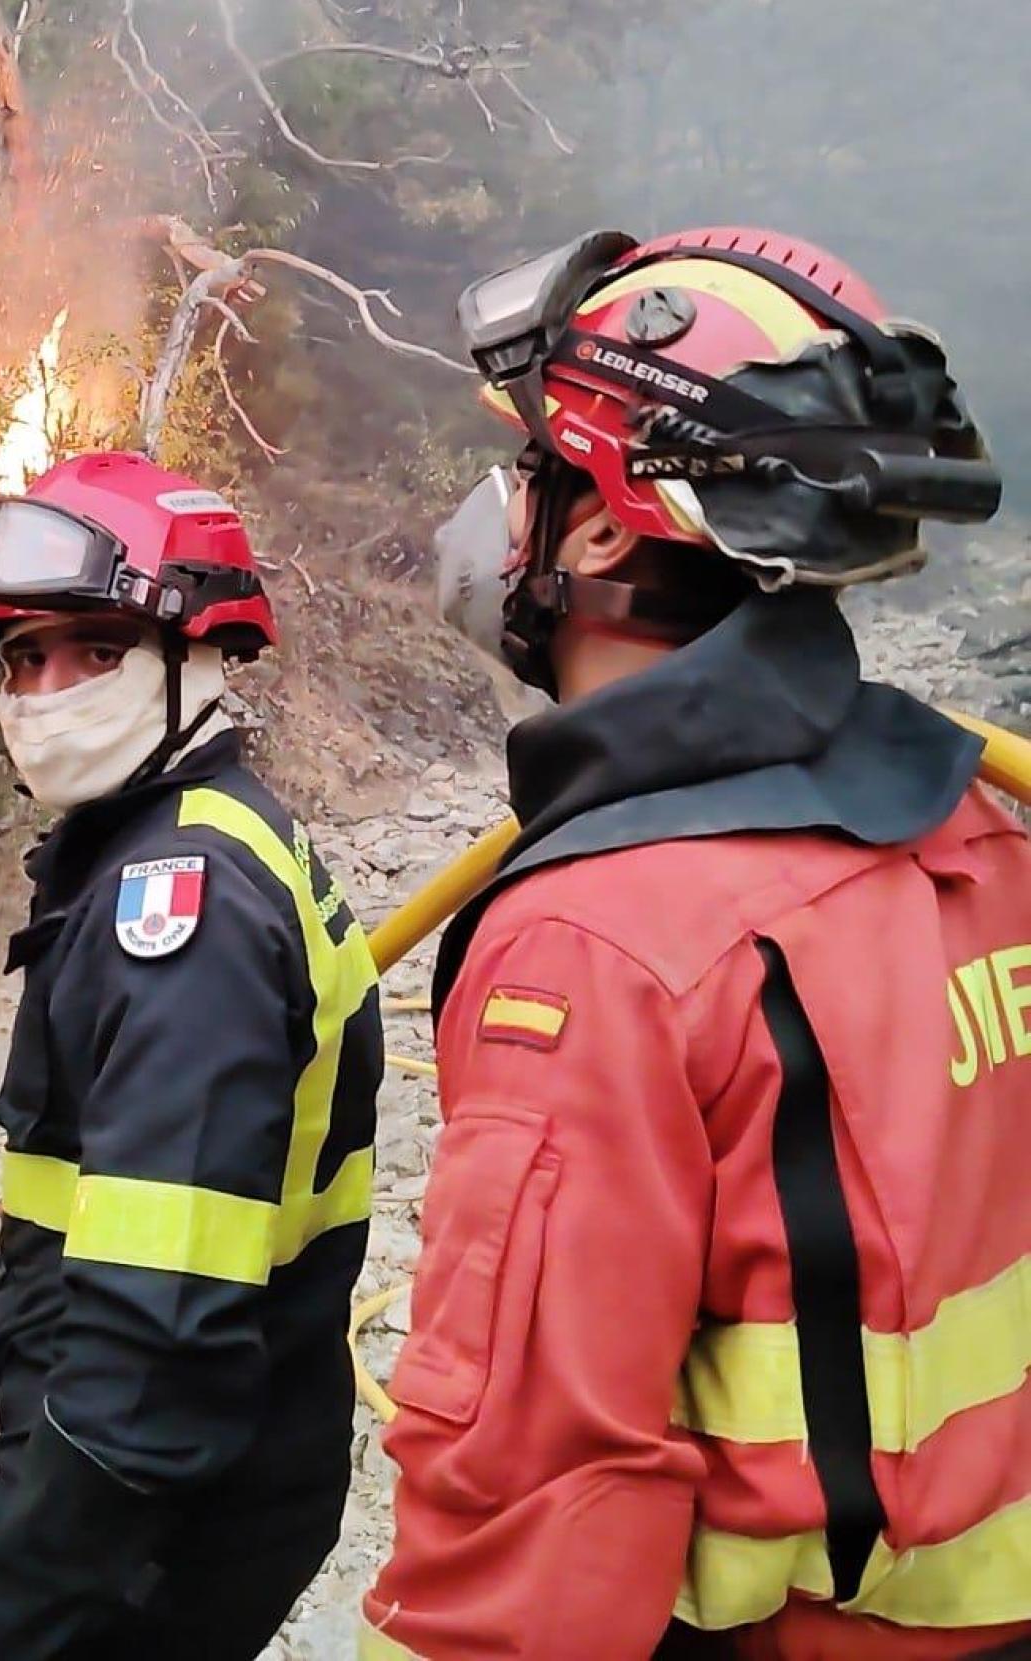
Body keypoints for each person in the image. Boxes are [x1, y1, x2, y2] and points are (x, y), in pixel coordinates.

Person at [362, 227, 1031, 1661]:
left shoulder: (594, 946)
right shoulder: (977, 830)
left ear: (599, 527)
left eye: (531, 471)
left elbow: (531, 1508)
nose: (496, 515)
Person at [0, 449, 384, 1660]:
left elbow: (153, 1345)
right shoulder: (178, 837)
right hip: (206, 1464)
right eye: (21, 655)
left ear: (199, 654)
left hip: (157, 1510)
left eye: (92, 646)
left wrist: (31, 1608)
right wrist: (17, 1283)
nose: (46, 686)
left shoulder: (182, 907)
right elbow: (135, 1186)